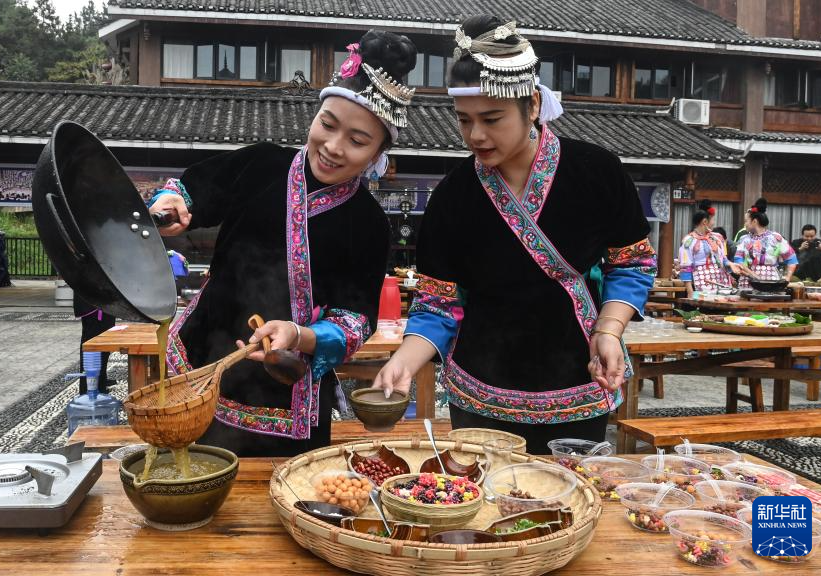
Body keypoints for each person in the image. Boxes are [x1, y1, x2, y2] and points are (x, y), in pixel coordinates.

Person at [370, 16, 657, 454]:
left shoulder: (596, 171)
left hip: (579, 374)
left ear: (533, 105)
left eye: (491, 118)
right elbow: (437, 302)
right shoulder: (452, 196)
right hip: (481, 387)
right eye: (464, 120)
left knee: (572, 491)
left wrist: (610, 329)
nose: (476, 135)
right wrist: (404, 362)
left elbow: (632, 262)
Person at [147, 30, 418, 457]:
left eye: (357, 140)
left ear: (379, 153)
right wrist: (174, 201)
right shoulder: (261, 164)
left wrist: (299, 334)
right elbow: (194, 190)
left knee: (285, 489)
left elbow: (354, 320)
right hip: (200, 361)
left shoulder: (368, 222)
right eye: (327, 124)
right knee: (187, 466)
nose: (333, 147)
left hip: (289, 389)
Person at [678, 200, 741, 292]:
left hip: (721, 280)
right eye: (712, 220)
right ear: (704, 221)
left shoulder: (717, 238)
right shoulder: (689, 241)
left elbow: (722, 259)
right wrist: (690, 291)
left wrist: (731, 264)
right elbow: (686, 267)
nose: (714, 223)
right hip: (702, 281)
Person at [734, 201, 797, 287]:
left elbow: (791, 258)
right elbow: (738, 260)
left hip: (771, 280)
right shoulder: (744, 239)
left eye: (746, 221)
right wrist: (752, 275)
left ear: (754, 221)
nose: (745, 224)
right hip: (748, 279)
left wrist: (787, 278)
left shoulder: (776, 238)